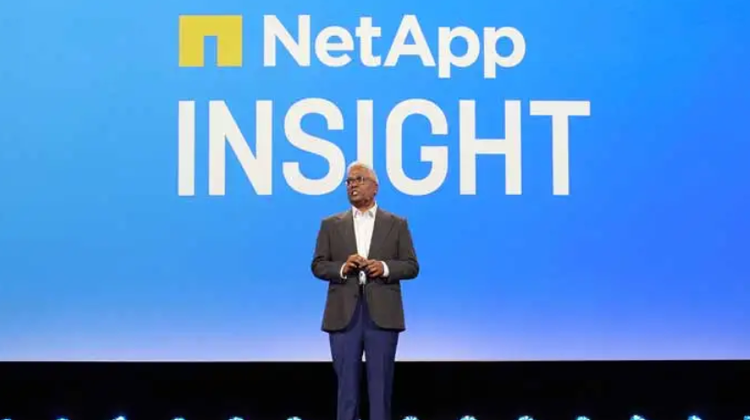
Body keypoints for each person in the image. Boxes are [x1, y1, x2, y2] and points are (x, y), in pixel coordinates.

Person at [311, 161, 419, 420]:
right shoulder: (331, 224)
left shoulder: (396, 223)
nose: (352, 185)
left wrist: (383, 267)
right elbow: (318, 265)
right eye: (349, 181)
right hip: (344, 315)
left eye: (358, 179)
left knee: (380, 389)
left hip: (382, 315)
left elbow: (411, 266)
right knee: (346, 390)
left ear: (375, 187)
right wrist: (343, 267)